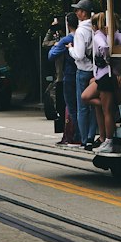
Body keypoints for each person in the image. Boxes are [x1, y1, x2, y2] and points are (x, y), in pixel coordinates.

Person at [84, 12, 119, 155]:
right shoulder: (114, 34)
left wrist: (107, 59)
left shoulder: (99, 36)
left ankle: (108, 141)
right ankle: (105, 138)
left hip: (105, 76)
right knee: (88, 97)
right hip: (103, 76)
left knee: (107, 111)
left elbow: (104, 48)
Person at [67, 0, 98, 150]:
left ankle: (84, 139)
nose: (76, 12)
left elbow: (79, 55)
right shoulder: (94, 27)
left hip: (83, 71)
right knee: (93, 106)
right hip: (95, 71)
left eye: (78, 10)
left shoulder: (80, 31)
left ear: (84, 13)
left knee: (83, 107)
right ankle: (92, 136)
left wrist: (70, 49)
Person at [47, 12, 80, 146]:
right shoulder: (83, 36)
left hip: (68, 75)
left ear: (67, 24)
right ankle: (83, 134)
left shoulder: (66, 40)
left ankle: (74, 134)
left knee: (70, 107)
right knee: (82, 107)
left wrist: (56, 45)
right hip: (83, 72)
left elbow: (51, 55)